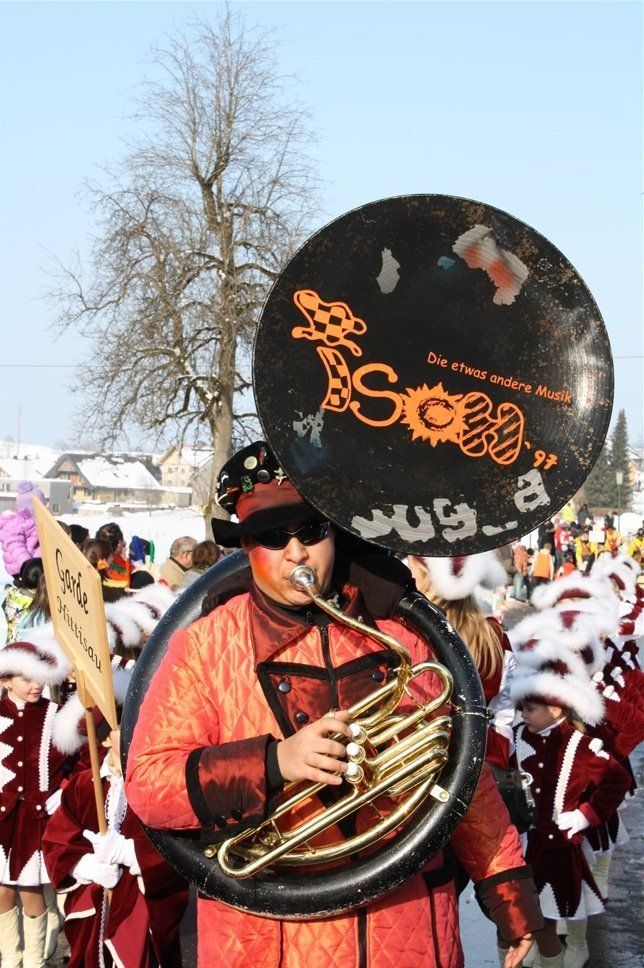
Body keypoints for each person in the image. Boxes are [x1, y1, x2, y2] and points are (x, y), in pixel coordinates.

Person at [126, 441, 543, 968]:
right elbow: (149, 784)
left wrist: (509, 894)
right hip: (269, 939)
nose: (296, 553)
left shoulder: (399, 634)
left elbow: (460, 769)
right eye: (273, 537)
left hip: (407, 928)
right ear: (247, 545)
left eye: (311, 531)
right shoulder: (203, 646)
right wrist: (275, 761)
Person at [510, 599, 631, 968]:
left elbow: (616, 778)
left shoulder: (579, 741)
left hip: (565, 842)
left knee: (572, 900)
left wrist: (585, 815)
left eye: (530, 709)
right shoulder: (519, 736)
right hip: (531, 843)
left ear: (556, 707)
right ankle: (544, 952)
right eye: (522, 708)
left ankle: (578, 945)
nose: (523, 714)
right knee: (535, 906)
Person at [43, 695, 188, 966]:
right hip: (95, 903)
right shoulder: (83, 786)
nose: (135, 731)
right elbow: (57, 842)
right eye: (125, 726)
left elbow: (179, 847)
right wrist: (87, 866)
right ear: (106, 739)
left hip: (141, 902)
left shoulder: (160, 784)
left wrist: (129, 852)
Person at [0, 637, 71, 966]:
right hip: (2, 821)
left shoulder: (55, 715)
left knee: (31, 893)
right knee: (2, 894)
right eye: (26, 678)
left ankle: (34, 962)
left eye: (39, 677)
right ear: (6, 681)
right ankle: (10, 959)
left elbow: (81, 758)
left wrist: (63, 791)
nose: (35, 685)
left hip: (34, 821)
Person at [407, 553, 514, 771]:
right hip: (480, 758)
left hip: (422, 761)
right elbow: (503, 716)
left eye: (411, 570)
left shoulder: (413, 634)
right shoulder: (495, 637)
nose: (407, 576)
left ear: (430, 580)